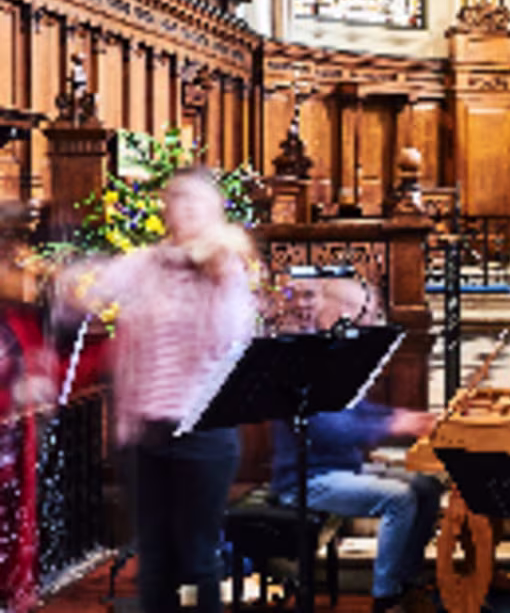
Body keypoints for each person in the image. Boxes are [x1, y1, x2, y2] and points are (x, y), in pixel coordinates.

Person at [58, 166, 257, 613]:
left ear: (214, 211)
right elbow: (86, 295)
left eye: (194, 200)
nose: (181, 208)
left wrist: (220, 273)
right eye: (174, 198)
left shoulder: (226, 269)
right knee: (154, 562)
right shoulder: (144, 263)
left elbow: (230, 341)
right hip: (145, 431)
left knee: (200, 559)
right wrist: (74, 285)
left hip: (204, 431)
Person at [270, 277, 442, 613]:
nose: (369, 320)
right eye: (361, 311)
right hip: (307, 479)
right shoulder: (307, 358)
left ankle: (408, 582)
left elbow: (358, 412)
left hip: (339, 467)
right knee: (399, 498)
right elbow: (331, 430)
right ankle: (386, 596)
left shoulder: (336, 356)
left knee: (427, 487)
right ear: (334, 311)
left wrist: (403, 416)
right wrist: (394, 424)